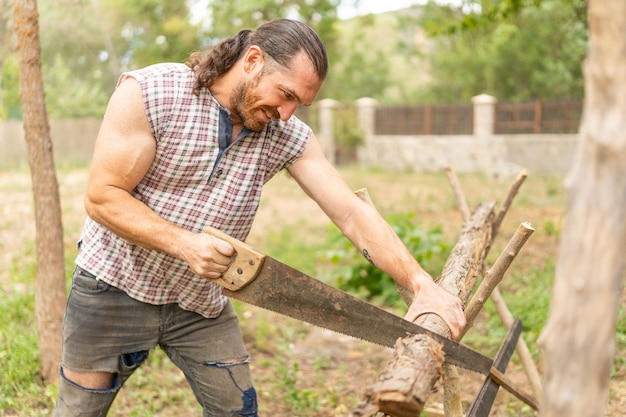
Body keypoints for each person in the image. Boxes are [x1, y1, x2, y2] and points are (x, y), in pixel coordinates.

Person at [53, 18, 466, 417]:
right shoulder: (151, 92)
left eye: (298, 105)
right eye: (284, 94)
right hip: (114, 286)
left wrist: (419, 283)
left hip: (199, 301)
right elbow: (103, 197)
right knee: (78, 412)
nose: (286, 114)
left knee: (237, 410)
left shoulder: (287, 135)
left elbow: (352, 212)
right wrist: (184, 243)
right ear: (252, 61)